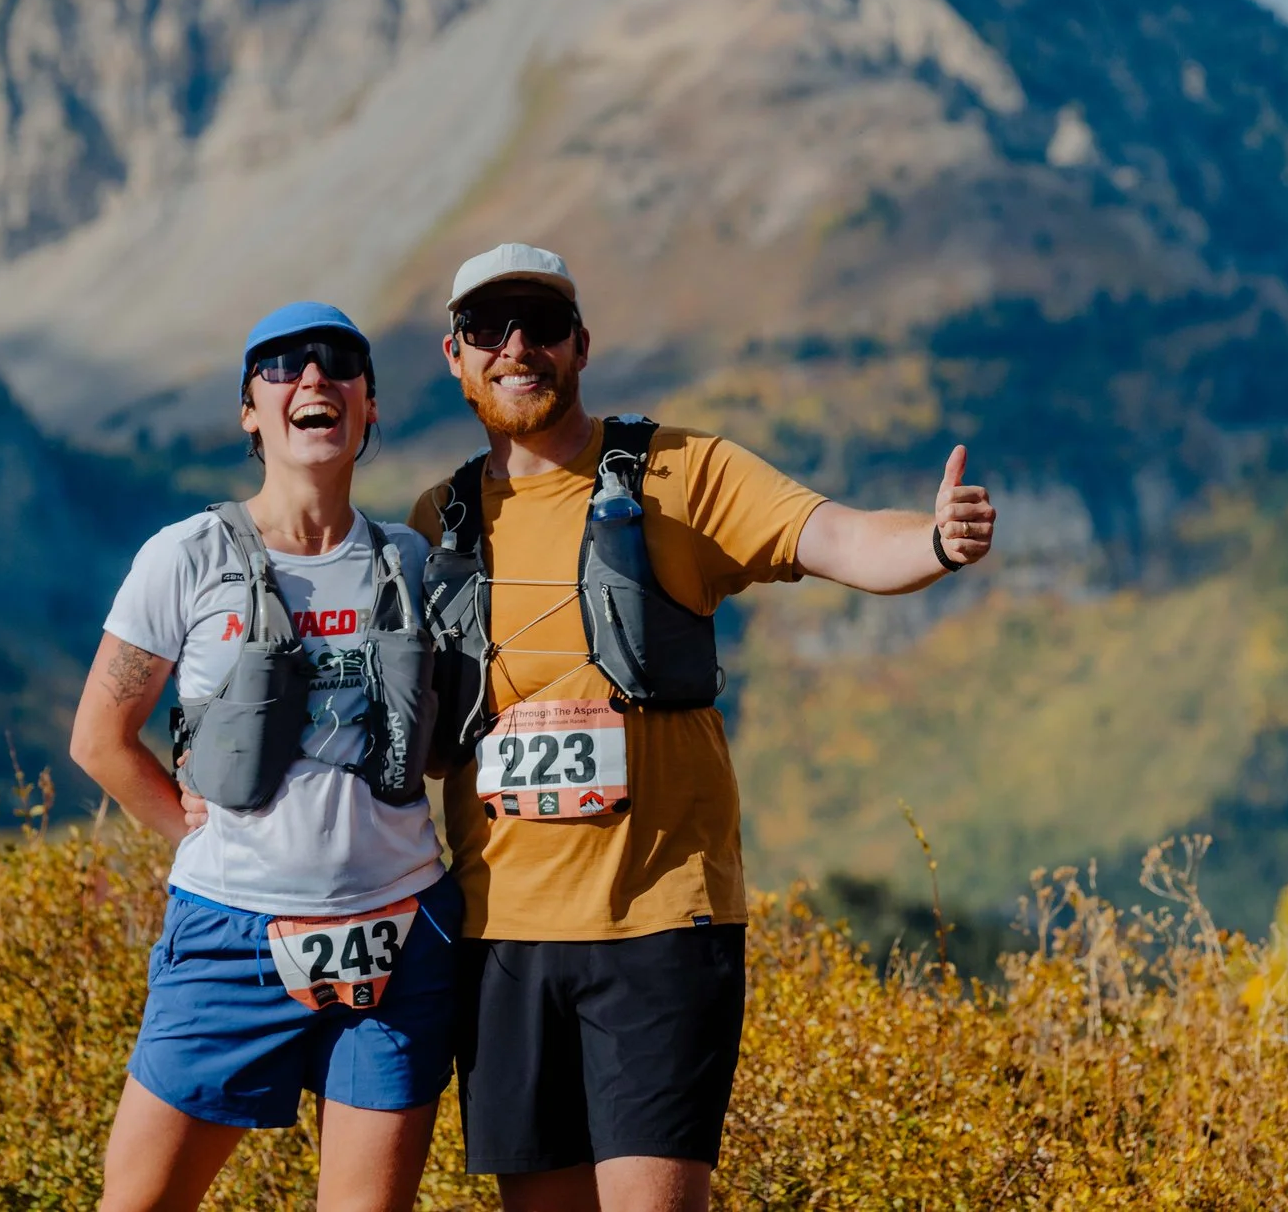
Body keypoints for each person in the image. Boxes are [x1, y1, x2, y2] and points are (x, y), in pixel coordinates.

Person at [415, 243, 995, 1212]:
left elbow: (837, 534)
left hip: (659, 923)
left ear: (581, 344)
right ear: (455, 354)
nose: (519, 347)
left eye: (543, 326)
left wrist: (934, 540)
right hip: (499, 937)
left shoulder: (684, 470)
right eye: (489, 328)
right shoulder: (441, 518)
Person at [71, 302, 459, 1212]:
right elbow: (99, 737)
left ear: (369, 407)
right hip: (228, 939)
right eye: (283, 366)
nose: (312, 377)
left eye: (338, 363)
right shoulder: (188, 556)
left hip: (400, 940)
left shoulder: (410, 559)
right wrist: (186, 827)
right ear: (250, 410)